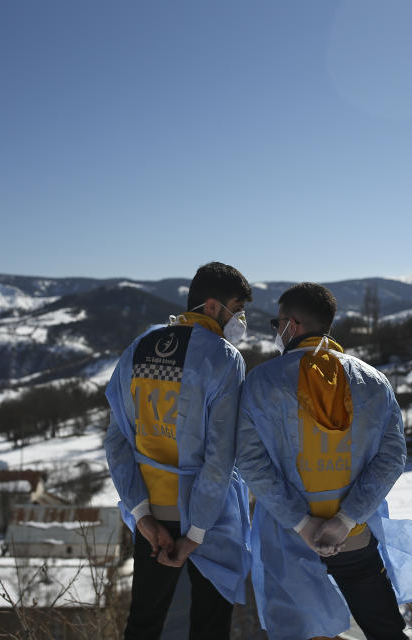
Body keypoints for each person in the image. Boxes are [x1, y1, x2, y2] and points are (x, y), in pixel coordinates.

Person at [236, 282, 412, 640]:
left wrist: (302, 523)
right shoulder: (373, 381)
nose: (276, 331)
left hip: (288, 541)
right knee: (384, 629)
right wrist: (345, 519)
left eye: (277, 324)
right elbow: (392, 456)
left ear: (292, 324)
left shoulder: (261, 383)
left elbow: (252, 463)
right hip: (354, 537)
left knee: (298, 632)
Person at [104, 261, 253, 640]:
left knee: (143, 623)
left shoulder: (138, 349)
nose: (240, 320)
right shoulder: (223, 358)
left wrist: (140, 514)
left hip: (151, 512)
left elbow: (118, 439)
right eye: (237, 309)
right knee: (209, 627)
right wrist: (197, 532)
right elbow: (220, 457)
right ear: (212, 306)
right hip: (208, 518)